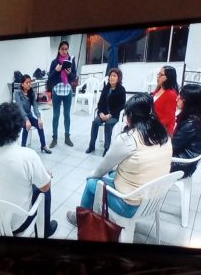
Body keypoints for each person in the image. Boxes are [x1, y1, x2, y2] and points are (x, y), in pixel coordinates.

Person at [67, 93, 172, 225]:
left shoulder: (129, 139)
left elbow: (102, 168)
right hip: (154, 198)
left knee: (92, 183)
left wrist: (90, 176)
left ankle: (80, 219)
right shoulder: (164, 134)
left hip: (130, 206)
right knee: (114, 173)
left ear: (131, 117)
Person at [0, 102, 58, 238]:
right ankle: (45, 229)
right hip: (17, 224)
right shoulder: (28, 155)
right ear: (18, 128)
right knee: (43, 186)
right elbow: (45, 187)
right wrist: (43, 175)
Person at [171, 84, 201, 178]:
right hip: (184, 159)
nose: (176, 99)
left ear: (190, 103)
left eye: (181, 98)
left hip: (181, 164)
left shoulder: (191, 124)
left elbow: (171, 147)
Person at [85, 68, 126, 156]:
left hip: (114, 115)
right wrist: (100, 113)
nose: (111, 77)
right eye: (110, 76)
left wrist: (109, 115)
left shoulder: (121, 90)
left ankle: (106, 148)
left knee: (108, 124)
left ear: (118, 78)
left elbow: (121, 107)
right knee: (95, 122)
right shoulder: (106, 88)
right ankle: (91, 146)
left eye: (114, 76)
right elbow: (100, 103)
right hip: (103, 113)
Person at [47, 40, 78, 148]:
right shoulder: (54, 62)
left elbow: (73, 78)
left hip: (67, 91)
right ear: (59, 50)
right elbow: (50, 79)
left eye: (66, 49)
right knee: (56, 115)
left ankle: (67, 137)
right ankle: (54, 138)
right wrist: (56, 70)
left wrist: (69, 73)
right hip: (57, 91)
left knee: (67, 115)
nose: (64, 51)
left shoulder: (71, 61)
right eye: (62, 49)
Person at [15, 74, 52, 154]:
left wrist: (39, 118)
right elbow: (20, 108)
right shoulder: (18, 93)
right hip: (20, 117)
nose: (29, 84)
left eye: (30, 82)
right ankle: (23, 149)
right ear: (22, 84)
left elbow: (35, 106)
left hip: (29, 116)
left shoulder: (31, 93)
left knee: (40, 126)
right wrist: (26, 120)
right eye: (27, 82)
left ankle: (43, 146)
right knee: (26, 127)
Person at [152, 65, 179, 136]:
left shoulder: (171, 94)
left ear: (168, 77)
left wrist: (152, 126)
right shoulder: (159, 89)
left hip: (162, 129)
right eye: (158, 74)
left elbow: (169, 117)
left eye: (161, 75)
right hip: (154, 123)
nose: (158, 76)